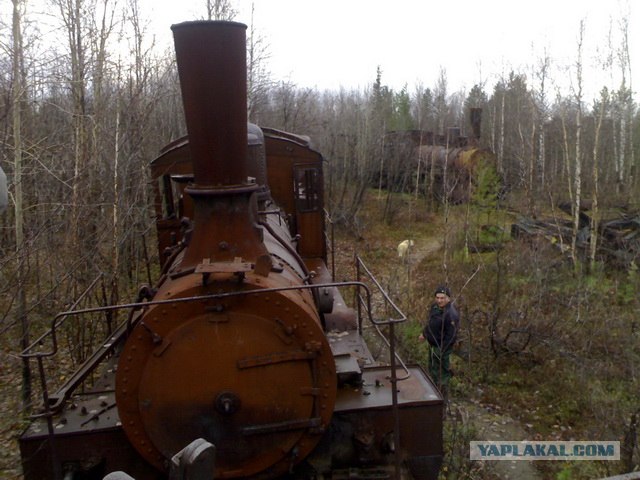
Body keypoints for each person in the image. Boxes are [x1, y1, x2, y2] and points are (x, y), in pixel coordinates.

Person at [419, 285, 459, 395]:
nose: (439, 300)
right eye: (437, 298)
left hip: (442, 349)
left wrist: (441, 350)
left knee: (442, 374)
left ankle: (442, 398)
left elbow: (451, 336)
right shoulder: (435, 307)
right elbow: (430, 322)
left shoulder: (451, 314)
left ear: (448, 298)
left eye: (442, 298)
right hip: (432, 346)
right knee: (432, 369)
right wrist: (424, 333)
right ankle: (433, 391)